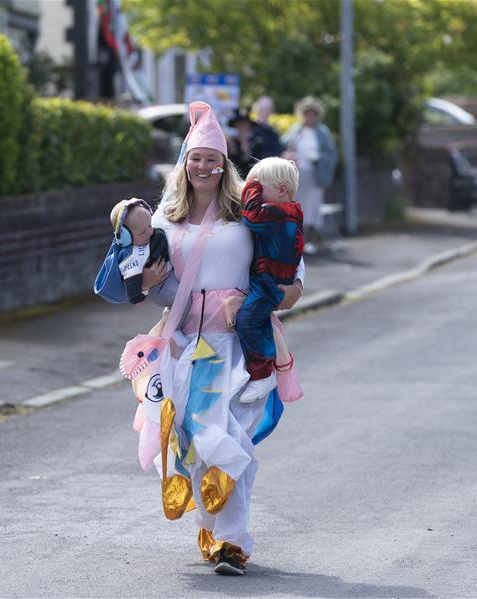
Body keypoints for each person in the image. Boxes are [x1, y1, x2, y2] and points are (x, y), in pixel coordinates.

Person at [123, 102, 304, 576]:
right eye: (195, 158)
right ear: (184, 164)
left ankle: (232, 544)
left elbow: (291, 277)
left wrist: (266, 300)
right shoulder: (165, 220)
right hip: (181, 346)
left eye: (212, 159)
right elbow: (152, 287)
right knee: (191, 441)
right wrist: (146, 283)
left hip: (239, 347)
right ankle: (210, 528)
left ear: (225, 165)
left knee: (227, 437)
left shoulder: (250, 212)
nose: (203, 167)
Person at [236, 158, 303, 404]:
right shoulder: (289, 213)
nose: (253, 194)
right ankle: (263, 368)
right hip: (270, 282)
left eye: (259, 188)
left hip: (268, 284)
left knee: (247, 321)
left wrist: (250, 186)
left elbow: (252, 216)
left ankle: (262, 374)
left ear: (282, 189)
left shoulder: (279, 213)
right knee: (256, 323)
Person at [282, 96, 338, 254]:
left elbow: (331, 154)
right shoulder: (295, 130)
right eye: (307, 114)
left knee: (313, 207)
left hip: (315, 175)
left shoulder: (322, 132)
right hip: (297, 175)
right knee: (298, 205)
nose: (310, 117)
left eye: (313, 114)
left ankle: (311, 239)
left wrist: (318, 158)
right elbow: (284, 146)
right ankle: (298, 240)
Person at [108, 198, 174, 305]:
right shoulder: (130, 258)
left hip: (171, 275)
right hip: (161, 287)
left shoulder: (149, 236)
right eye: (142, 232)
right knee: (187, 298)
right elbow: (134, 296)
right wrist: (145, 285)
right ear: (125, 237)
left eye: (150, 225)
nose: (150, 232)